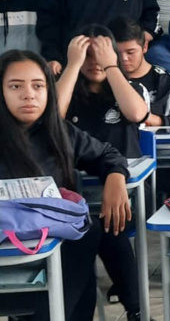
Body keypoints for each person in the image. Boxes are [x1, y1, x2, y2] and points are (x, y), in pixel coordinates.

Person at [0, 50, 131, 321]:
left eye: (38, 85)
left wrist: (116, 178)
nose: (29, 94)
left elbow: (107, 154)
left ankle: (137, 311)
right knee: (87, 232)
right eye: (15, 86)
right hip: (8, 257)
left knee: (100, 226)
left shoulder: (58, 133)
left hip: (53, 256)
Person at [55, 25, 150, 321]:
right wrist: (72, 65)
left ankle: (134, 309)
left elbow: (137, 114)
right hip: (74, 195)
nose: (94, 62)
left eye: (102, 55)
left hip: (123, 188)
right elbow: (50, 120)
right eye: (87, 56)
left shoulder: (127, 87)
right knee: (92, 229)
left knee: (109, 227)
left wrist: (112, 66)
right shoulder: (64, 89)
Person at [109, 16, 170, 127]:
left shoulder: (166, 83)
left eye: (130, 52)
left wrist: (150, 119)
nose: (124, 58)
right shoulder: (102, 80)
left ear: (145, 47)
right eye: (117, 52)